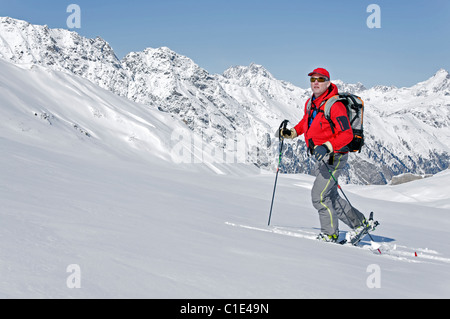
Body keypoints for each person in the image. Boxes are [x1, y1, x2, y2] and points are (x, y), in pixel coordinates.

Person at [281, 67, 372, 243]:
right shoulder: (311, 103)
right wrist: (292, 133)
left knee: (319, 197)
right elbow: (305, 123)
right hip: (322, 157)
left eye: (320, 79)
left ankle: (330, 234)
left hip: (334, 157)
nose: (316, 82)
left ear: (328, 82)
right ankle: (360, 224)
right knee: (330, 196)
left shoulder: (335, 105)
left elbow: (347, 134)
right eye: (313, 79)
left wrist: (327, 146)